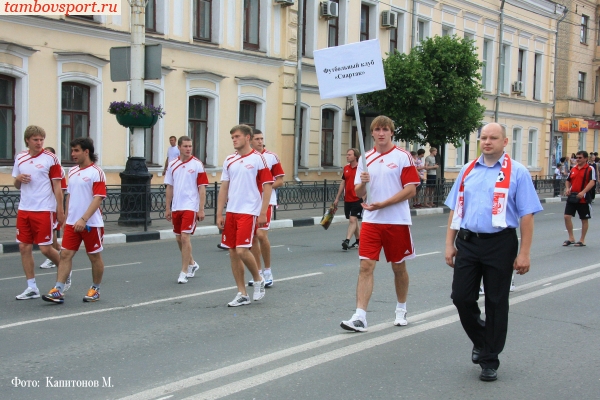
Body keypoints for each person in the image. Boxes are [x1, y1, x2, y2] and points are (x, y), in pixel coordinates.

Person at [444, 122, 542, 382]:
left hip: (500, 243)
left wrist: (525, 253)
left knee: (496, 303)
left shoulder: (517, 172)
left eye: (493, 138)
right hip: (468, 242)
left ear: (504, 142)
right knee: (461, 297)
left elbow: (527, 215)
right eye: (483, 137)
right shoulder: (468, 169)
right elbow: (456, 208)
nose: (487, 142)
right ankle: (483, 338)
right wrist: (448, 244)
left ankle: (490, 360)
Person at [340, 115, 420, 332]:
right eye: (377, 129)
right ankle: (360, 316)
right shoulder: (366, 158)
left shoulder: (403, 156)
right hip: (372, 221)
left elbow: (411, 189)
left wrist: (384, 204)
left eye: (385, 129)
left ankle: (401, 308)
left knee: (398, 267)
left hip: (396, 220)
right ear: (372, 133)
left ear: (392, 132)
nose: (381, 133)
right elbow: (358, 192)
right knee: (365, 266)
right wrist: (363, 185)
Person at [41, 137, 107, 304]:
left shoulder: (96, 172)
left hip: (91, 224)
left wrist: (84, 219)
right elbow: (69, 195)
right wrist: (67, 217)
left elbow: (98, 198)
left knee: (94, 257)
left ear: (87, 151)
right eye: (72, 151)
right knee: (65, 255)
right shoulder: (73, 171)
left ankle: (95, 289)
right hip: (72, 223)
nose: (73, 154)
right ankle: (58, 289)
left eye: (76, 150)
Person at [216, 124, 274, 307]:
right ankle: (242, 293)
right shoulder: (229, 160)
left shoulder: (258, 159)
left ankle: (258, 278)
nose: (234, 139)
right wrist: (219, 213)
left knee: (242, 250)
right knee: (233, 252)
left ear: (247, 137)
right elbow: (224, 187)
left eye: (237, 136)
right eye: (232, 137)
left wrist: (263, 212)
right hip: (232, 211)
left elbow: (267, 186)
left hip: (249, 211)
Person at [12, 125, 64, 300]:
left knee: (45, 249)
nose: (39, 143)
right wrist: (17, 179)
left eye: (41, 139)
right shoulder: (20, 157)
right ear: (27, 140)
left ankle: (65, 272)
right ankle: (31, 287)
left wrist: (60, 210)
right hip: (24, 208)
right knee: (23, 247)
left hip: (44, 209)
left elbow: (58, 187)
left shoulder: (51, 159)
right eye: (35, 139)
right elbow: (17, 184)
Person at [164, 136, 209, 284]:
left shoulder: (197, 164)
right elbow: (169, 187)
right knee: (178, 238)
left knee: (184, 237)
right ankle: (192, 263)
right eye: (185, 146)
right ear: (179, 147)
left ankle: (184, 271)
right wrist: (167, 208)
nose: (189, 149)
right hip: (177, 206)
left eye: (190, 146)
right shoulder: (172, 164)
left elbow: (202, 188)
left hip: (191, 206)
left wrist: (201, 209)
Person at [247, 129, 285, 288]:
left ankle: (268, 271)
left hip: (267, 202)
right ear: (250, 141)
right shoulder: (246, 158)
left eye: (262, 138)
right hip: (250, 203)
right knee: (254, 237)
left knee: (261, 235)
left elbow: (280, 180)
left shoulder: (271, 157)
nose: (260, 141)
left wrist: (264, 188)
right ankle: (259, 272)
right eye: (257, 139)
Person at [39, 146, 66, 270]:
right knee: (52, 231)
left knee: (53, 231)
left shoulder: (58, 169)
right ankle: (59, 251)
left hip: (53, 205)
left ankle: (54, 256)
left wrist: (59, 206)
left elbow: (62, 188)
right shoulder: (41, 168)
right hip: (42, 205)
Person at [563, 150, 596, 247]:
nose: (578, 159)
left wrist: (583, 192)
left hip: (583, 198)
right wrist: (568, 188)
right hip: (572, 197)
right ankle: (571, 238)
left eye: (580, 157)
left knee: (584, 219)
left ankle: (582, 240)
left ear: (586, 158)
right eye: (577, 157)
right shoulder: (573, 169)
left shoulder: (590, 169)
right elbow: (568, 180)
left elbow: (592, 182)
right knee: (567, 216)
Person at [333, 148, 363, 250]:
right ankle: (359, 241)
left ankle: (347, 240)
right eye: (347, 154)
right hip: (348, 199)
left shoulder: (361, 168)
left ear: (355, 156)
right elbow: (343, 183)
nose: (347, 156)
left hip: (357, 198)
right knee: (353, 221)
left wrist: (363, 197)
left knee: (352, 219)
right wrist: (337, 198)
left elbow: (366, 183)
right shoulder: (346, 168)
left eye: (349, 155)